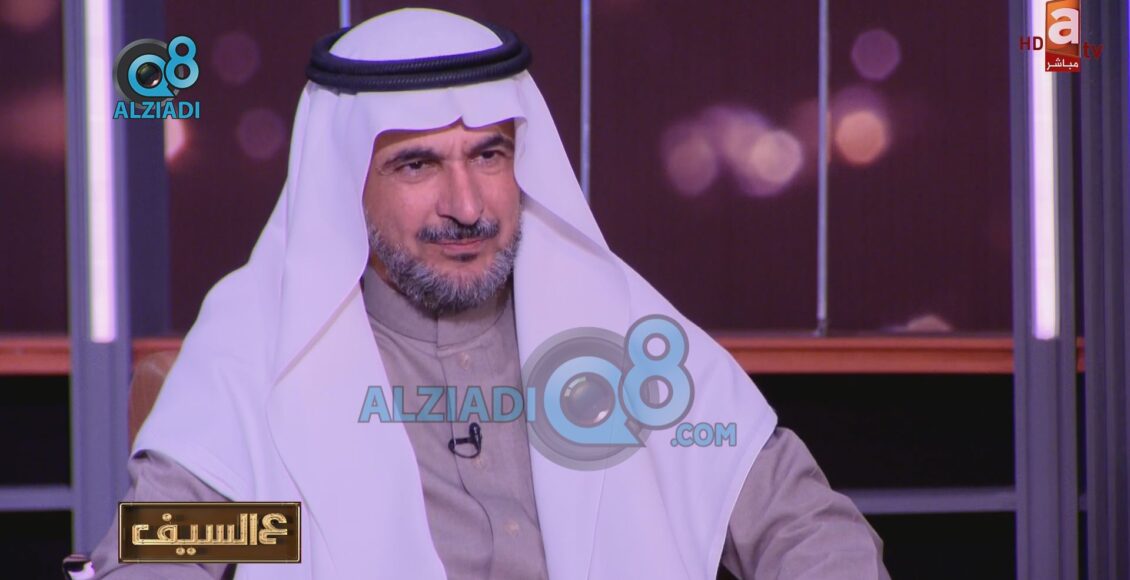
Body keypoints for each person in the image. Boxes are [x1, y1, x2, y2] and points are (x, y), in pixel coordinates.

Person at [88, 8, 888, 579]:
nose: (467, 206)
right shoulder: (268, 353)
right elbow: (166, 552)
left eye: (489, 156)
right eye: (418, 164)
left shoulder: (615, 329)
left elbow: (800, 524)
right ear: (345, 185)